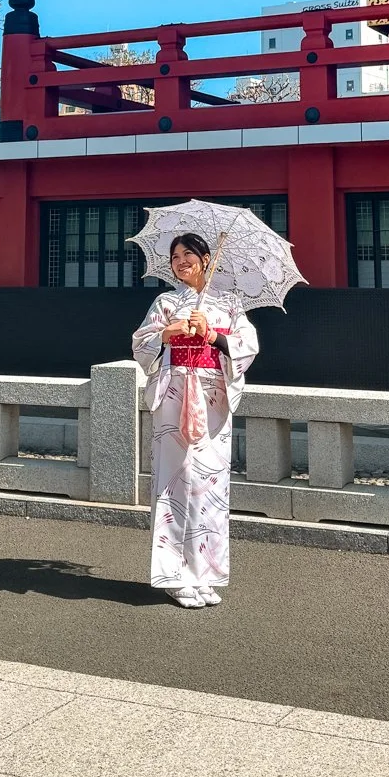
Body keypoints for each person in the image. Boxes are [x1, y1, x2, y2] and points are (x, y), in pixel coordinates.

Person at [131, 232, 259, 609]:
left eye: (188, 253)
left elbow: (248, 346)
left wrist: (213, 335)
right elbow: (141, 343)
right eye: (175, 256)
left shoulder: (229, 303)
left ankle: (204, 574)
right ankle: (175, 576)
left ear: (206, 259)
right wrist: (166, 335)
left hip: (212, 399)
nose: (180, 260)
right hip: (174, 397)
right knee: (175, 484)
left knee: (210, 488)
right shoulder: (166, 301)